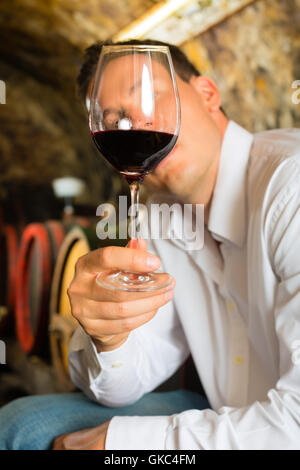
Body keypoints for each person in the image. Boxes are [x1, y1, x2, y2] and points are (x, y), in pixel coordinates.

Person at [1, 39, 300, 450]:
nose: (137, 123)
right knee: (19, 426)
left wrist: (122, 445)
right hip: (220, 411)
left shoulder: (290, 188)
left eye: (152, 95)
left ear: (207, 94)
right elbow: (126, 381)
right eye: (116, 118)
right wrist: (109, 337)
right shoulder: (156, 212)